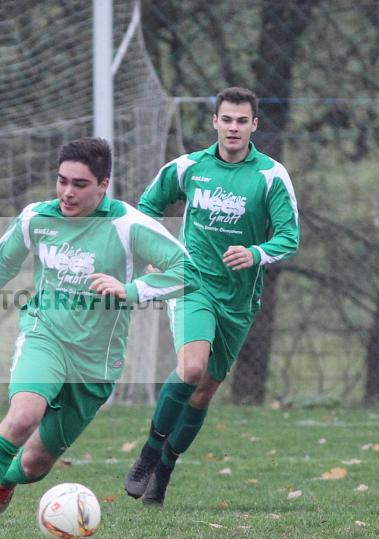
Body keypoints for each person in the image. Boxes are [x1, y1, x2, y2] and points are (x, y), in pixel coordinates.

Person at [0, 137, 200, 539]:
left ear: (103, 185)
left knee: (35, 465)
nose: (67, 193)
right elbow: (1, 262)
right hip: (45, 335)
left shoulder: (127, 225)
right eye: (61, 181)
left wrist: (130, 289)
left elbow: (188, 271)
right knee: (22, 417)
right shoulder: (37, 219)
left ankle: (3, 479)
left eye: (79, 184)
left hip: (96, 363)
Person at [123, 86, 300, 507]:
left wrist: (255, 252)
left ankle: (164, 472)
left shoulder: (271, 176)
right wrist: (154, 250)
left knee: (203, 393)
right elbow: (144, 209)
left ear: (254, 125)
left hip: (238, 300)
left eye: (242, 120)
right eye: (227, 119)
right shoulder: (188, 168)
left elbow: (289, 237)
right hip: (191, 283)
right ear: (214, 122)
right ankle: (148, 453)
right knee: (190, 370)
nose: (234, 127)